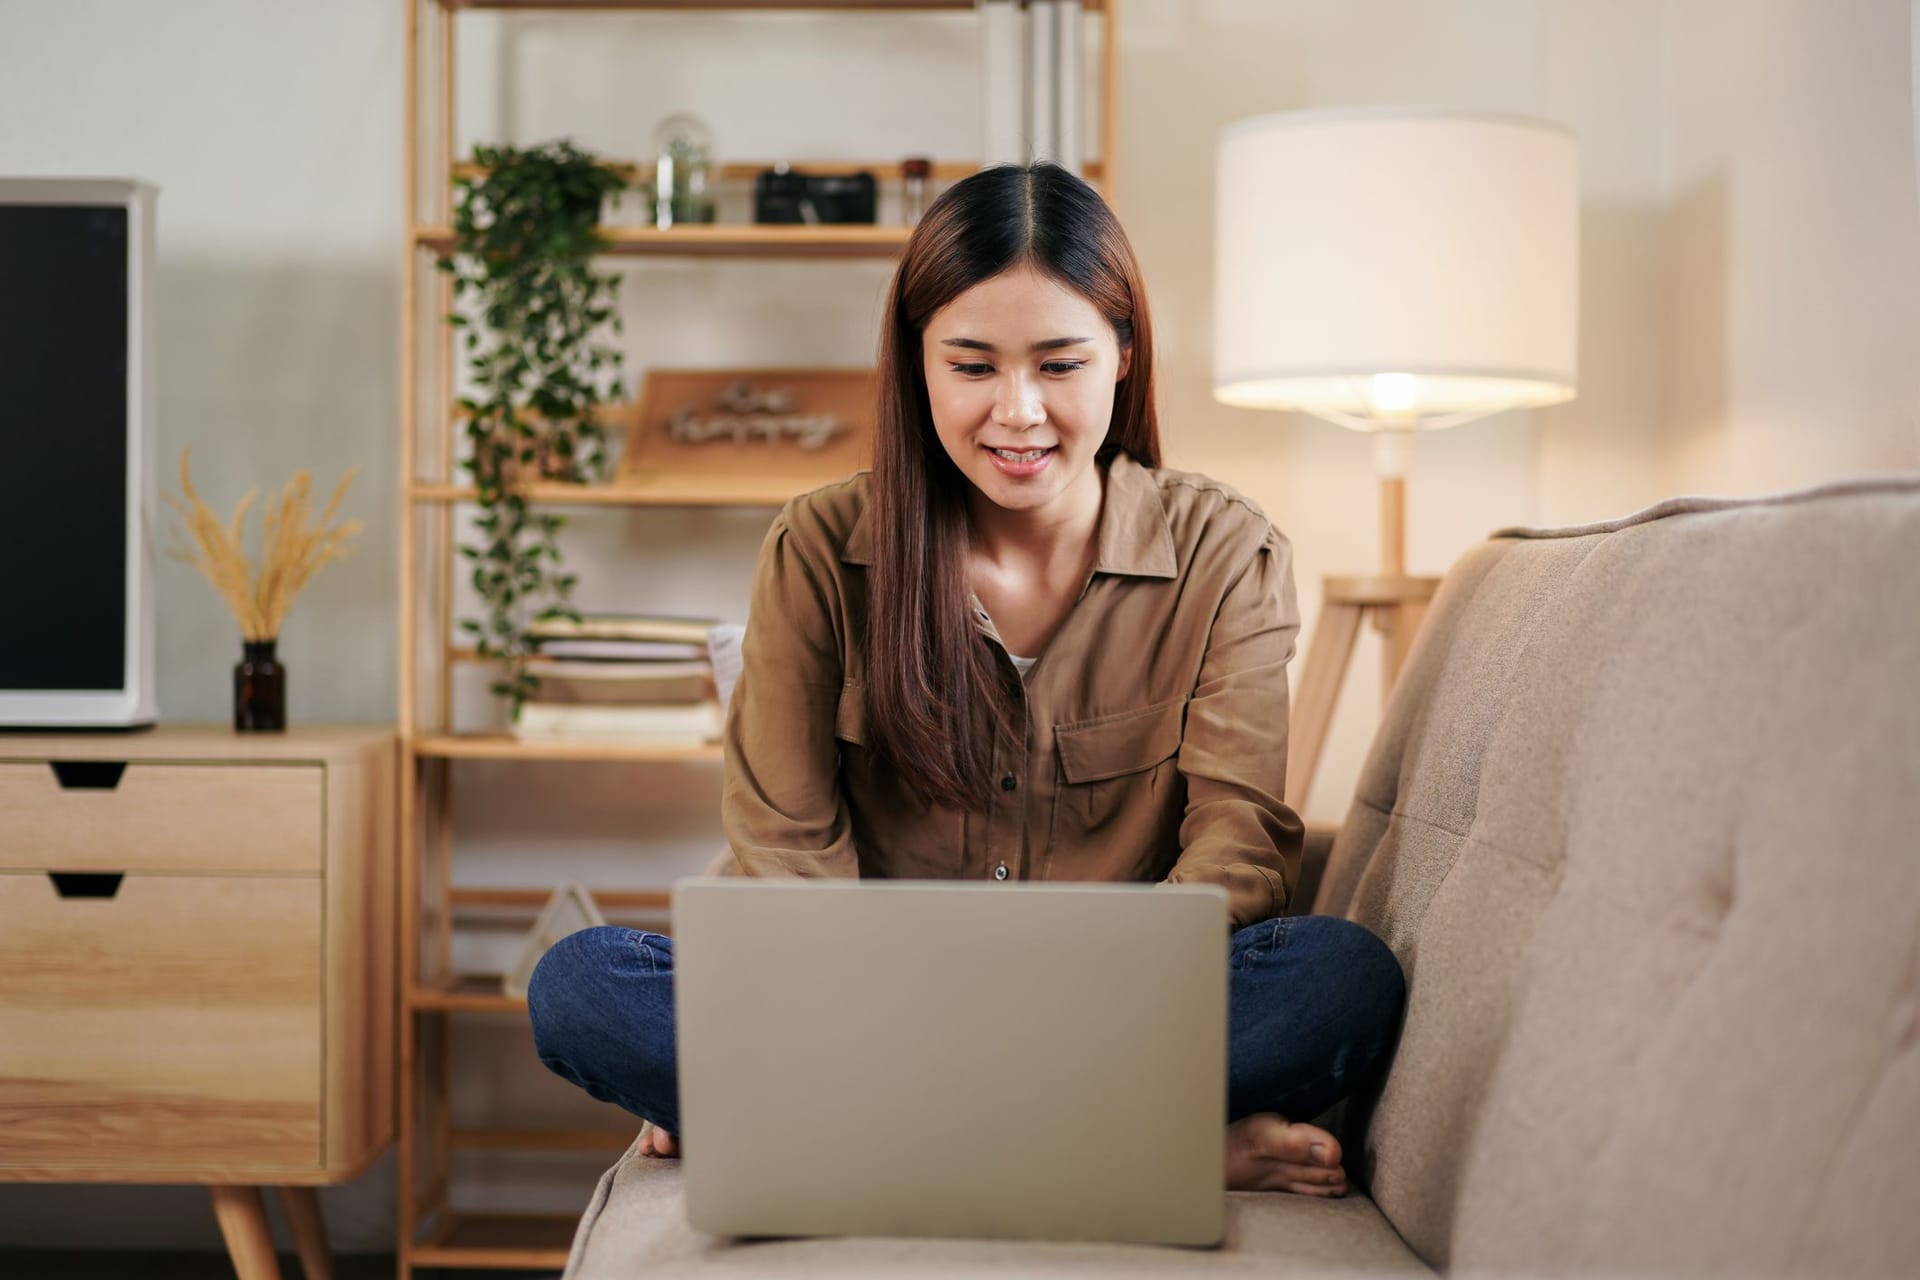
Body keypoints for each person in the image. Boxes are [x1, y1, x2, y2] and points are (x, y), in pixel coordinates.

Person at [529, 162, 1406, 1197]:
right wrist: (909, 1016)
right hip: (861, 1004)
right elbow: (785, 852)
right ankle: (1140, 1150)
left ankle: (827, 1134)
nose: (1019, 411)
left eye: (1060, 363)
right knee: (582, 985)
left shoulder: (1227, 552)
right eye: (974, 365)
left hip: (1117, 1006)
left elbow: (1239, 847)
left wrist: (1063, 1002)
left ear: (1123, 356)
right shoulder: (817, 546)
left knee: (1340, 978)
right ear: (918, 364)